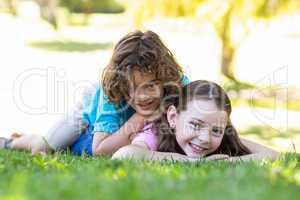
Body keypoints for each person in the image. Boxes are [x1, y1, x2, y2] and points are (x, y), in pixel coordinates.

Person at [0, 30, 189, 156]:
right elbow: (99, 149)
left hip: (116, 127)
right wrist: (140, 117)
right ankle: (11, 143)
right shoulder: (112, 93)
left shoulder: (177, 83)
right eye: (132, 87)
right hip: (86, 117)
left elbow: (207, 103)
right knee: (45, 146)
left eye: (151, 85)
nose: (142, 96)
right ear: (121, 84)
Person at [112, 80, 279, 162]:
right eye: (195, 124)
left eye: (216, 130)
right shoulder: (156, 133)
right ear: (173, 117)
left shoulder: (223, 135)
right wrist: (189, 162)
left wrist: (225, 163)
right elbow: (123, 155)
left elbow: (274, 156)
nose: (205, 138)